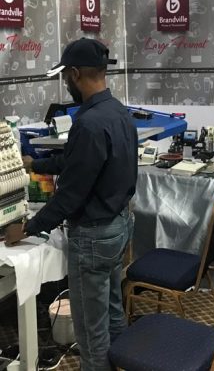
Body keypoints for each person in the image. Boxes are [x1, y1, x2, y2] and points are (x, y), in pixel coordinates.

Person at [5, 38, 138, 371]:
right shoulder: (118, 111)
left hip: (94, 237)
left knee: (91, 334)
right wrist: (36, 164)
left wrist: (27, 228)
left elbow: (70, 196)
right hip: (119, 225)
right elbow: (79, 162)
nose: (66, 84)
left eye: (66, 77)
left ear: (75, 74)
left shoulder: (89, 123)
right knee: (113, 312)